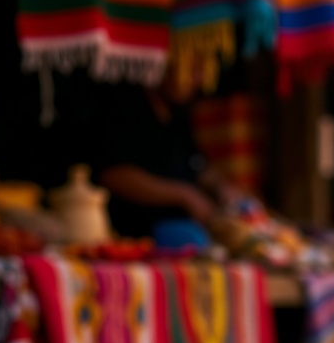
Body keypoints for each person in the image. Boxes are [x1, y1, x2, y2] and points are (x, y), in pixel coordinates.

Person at [89, 67, 243, 246]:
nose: (199, 79)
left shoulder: (176, 115)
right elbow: (113, 174)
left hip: (185, 233)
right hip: (136, 235)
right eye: (191, 68)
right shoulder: (125, 108)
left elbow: (198, 165)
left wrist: (223, 189)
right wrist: (184, 195)